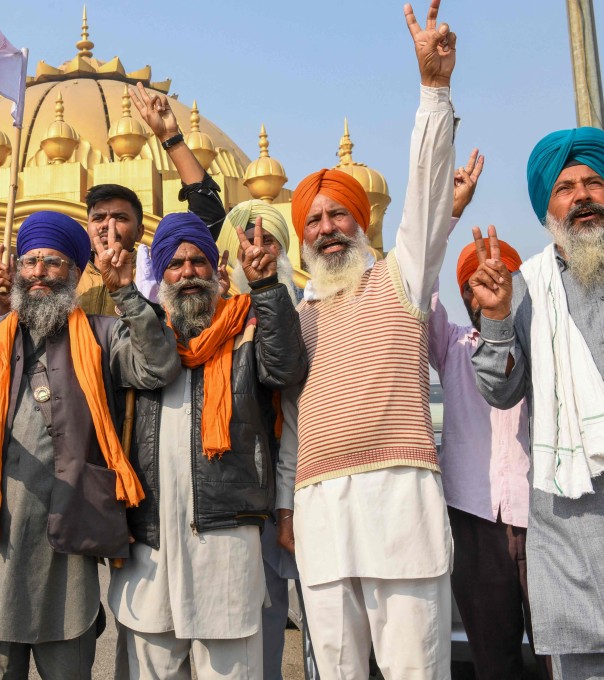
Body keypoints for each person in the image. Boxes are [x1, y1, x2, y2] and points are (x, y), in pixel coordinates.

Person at [274, 2, 459, 677]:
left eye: (338, 216)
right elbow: (292, 418)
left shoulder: (402, 278)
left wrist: (433, 92)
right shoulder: (299, 320)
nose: (325, 228)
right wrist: (288, 504)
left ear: (361, 223)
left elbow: (428, 195)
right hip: (321, 512)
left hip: (400, 504)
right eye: (314, 220)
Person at [0, 211, 179, 679]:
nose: (38, 273)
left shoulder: (102, 334)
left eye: (52, 262)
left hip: (69, 534)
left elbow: (159, 367)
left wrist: (124, 293)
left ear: (73, 271)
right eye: (30, 261)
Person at [107, 212, 306, 679]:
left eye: (198, 261)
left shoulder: (247, 331)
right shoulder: (138, 336)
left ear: (217, 266)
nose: (188, 273)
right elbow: (149, 371)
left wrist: (268, 287)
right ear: (160, 274)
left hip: (225, 543)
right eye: (175, 264)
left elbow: (284, 371)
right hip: (151, 545)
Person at [470, 126, 604, 679]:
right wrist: (498, 318)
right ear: (547, 205)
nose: (583, 196)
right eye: (566, 187)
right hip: (570, 524)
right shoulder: (525, 286)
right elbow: (501, 390)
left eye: (593, 182)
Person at [427, 153, 550, 680]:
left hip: (545, 514)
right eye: (479, 280)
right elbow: (415, 282)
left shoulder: (546, 345)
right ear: (465, 295)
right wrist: (449, 213)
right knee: (494, 659)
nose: (492, 285)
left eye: (503, 276)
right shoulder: (453, 346)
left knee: (562, 653)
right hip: (475, 518)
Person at [0, 82, 226, 317]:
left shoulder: (158, 270)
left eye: (120, 217)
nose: (107, 225)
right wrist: (5, 301)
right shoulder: (66, 274)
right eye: (99, 217)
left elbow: (209, 215)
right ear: (88, 226)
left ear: (141, 230)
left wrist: (170, 136)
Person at [218, 201, 316, 680]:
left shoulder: (305, 310)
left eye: (270, 240)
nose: (258, 250)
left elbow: (289, 392)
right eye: (247, 241)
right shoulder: (213, 318)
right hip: (239, 495)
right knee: (252, 620)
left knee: (321, 617)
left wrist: (287, 507)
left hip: (302, 485)